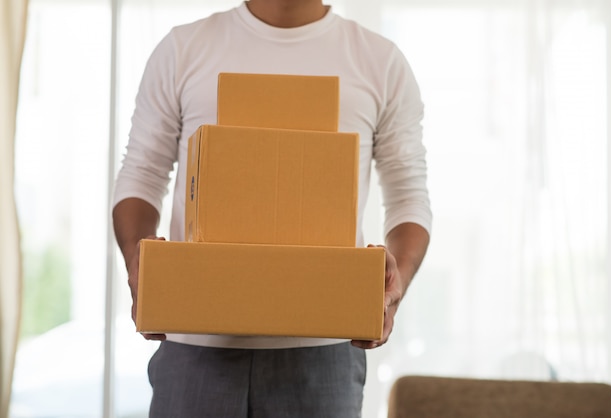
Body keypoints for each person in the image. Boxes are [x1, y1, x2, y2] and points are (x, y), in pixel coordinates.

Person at [112, 0, 431, 416]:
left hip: (324, 349)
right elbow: (141, 173)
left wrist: (393, 286)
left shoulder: (380, 61)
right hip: (195, 342)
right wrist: (143, 265)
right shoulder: (183, 49)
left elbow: (408, 194)